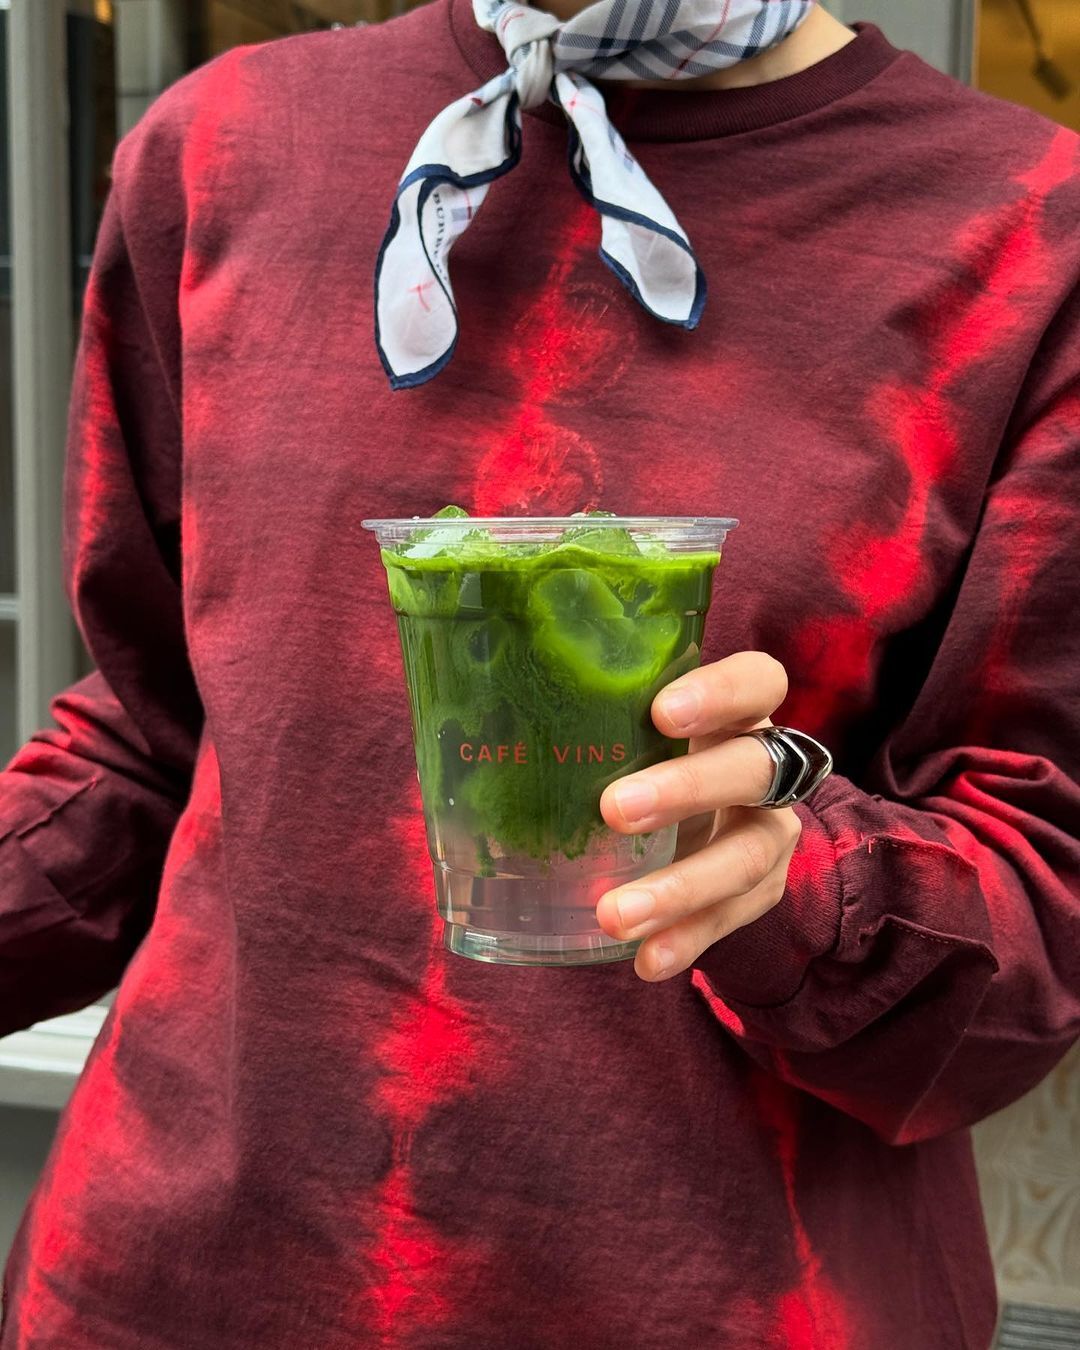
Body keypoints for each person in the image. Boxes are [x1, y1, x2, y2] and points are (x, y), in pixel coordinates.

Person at [1, 1, 1077, 1345]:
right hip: (167, 1292)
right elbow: (152, 738)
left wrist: (793, 878)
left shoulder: (1029, 231)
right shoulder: (219, 148)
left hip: (717, 1302)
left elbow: (1040, 900)